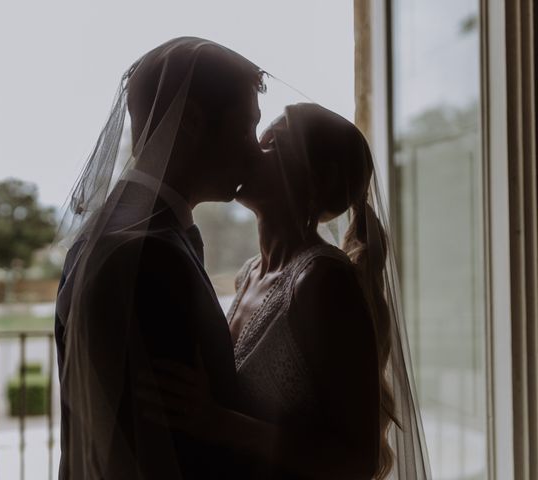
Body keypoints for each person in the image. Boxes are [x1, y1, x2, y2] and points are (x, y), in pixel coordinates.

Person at [140, 103, 431, 479]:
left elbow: (360, 460)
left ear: (316, 179)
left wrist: (218, 422)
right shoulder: (249, 274)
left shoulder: (323, 282)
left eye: (273, 143)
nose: (251, 151)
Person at [54, 37, 265, 479]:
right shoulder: (150, 252)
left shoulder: (109, 234)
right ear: (189, 121)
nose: (254, 151)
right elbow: (174, 442)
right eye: (246, 128)